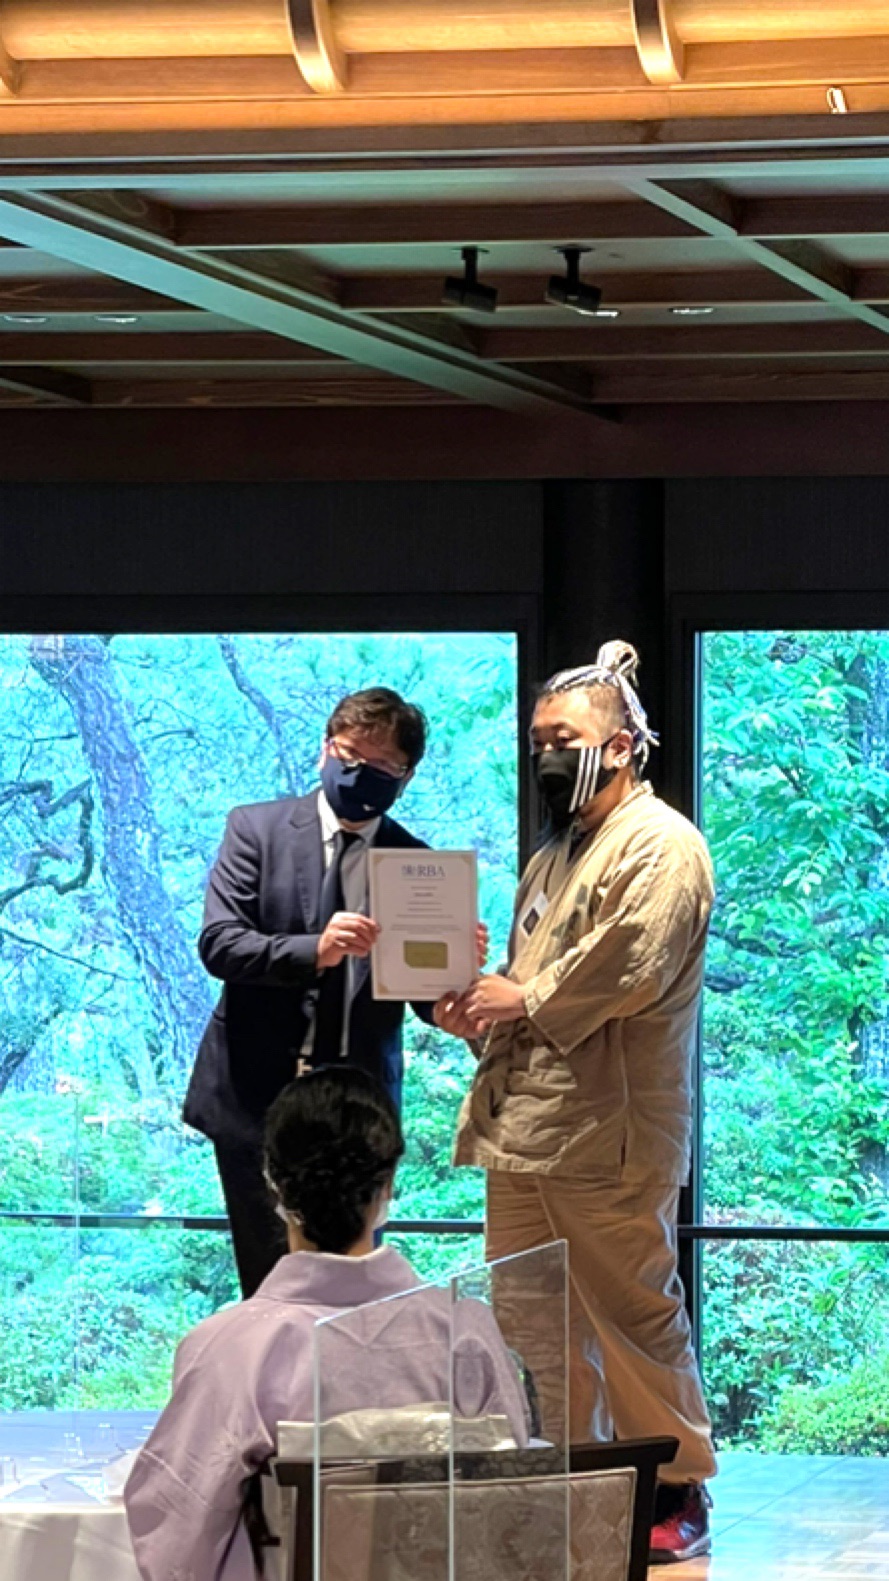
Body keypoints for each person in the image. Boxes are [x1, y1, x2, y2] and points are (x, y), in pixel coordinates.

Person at [435, 640, 718, 1565]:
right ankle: (579, 1471)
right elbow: (521, 983)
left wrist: (520, 998)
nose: (548, 754)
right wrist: (474, 1010)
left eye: (565, 738)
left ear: (622, 745)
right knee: (532, 1318)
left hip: (609, 1127)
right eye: (538, 741)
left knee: (630, 1310)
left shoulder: (663, 843)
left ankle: (674, 1480)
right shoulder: (554, 854)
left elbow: (631, 965)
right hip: (526, 1125)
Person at [126, 1067, 530, 1581]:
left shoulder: (232, 1348)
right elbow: (516, 1498)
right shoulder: (466, 1333)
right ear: (389, 1184)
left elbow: (176, 1541)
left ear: (273, 1183)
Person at [184, 686, 436, 1298]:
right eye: (349, 756)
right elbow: (220, 944)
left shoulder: (415, 862)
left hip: (357, 1106)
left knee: (351, 1286)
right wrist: (314, 949)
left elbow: (427, 998)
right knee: (268, 1282)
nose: (359, 774)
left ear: (405, 777)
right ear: (325, 748)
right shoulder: (256, 829)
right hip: (254, 1094)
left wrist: (454, 967)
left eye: (381, 767)